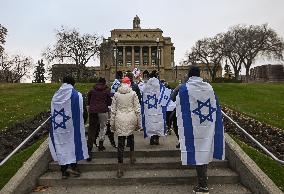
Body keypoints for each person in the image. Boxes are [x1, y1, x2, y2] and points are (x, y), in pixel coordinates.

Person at [175, 66, 225, 194]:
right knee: (204, 150)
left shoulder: (184, 88)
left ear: (189, 75)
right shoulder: (209, 88)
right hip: (207, 125)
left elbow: (173, 99)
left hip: (193, 126)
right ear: (199, 74)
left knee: (198, 152)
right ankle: (203, 181)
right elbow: (215, 104)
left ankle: (203, 186)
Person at [49, 76, 89, 179]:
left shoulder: (55, 96)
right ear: (73, 83)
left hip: (59, 127)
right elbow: (83, 112)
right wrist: (82, 123)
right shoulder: (76, 95)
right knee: (72, 145)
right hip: (72, 126)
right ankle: (74, 167)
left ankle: (63, 172)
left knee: (61, 147)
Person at [110, 77, 141, 178]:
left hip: (119, 118)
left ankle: (120, 168)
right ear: (129, 84)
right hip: (131, 117)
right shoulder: (133, 93)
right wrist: (139, 123)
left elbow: (113, 110)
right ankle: (132, 156)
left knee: (120, 143)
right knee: (131, 137)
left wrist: (112, 124)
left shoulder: (116, 94)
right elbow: (137, 109)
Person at [141, 70, 169, 145]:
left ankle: (151, 138)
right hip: (158, 109)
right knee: (158, 123)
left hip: (149, 108)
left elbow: (143, 97)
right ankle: (157, 139)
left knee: (151, 123)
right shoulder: (160, 86)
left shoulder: (146, 86)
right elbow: (166, 95)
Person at [87, 77, 112, 159]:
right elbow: (109, 102)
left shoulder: (92, 90)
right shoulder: (107, 90)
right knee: (103, 127)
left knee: (92, 129)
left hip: (93, 110)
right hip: (103, 110)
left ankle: (89, 149)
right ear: (104, 83)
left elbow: (88, 101)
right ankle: (101, 144)